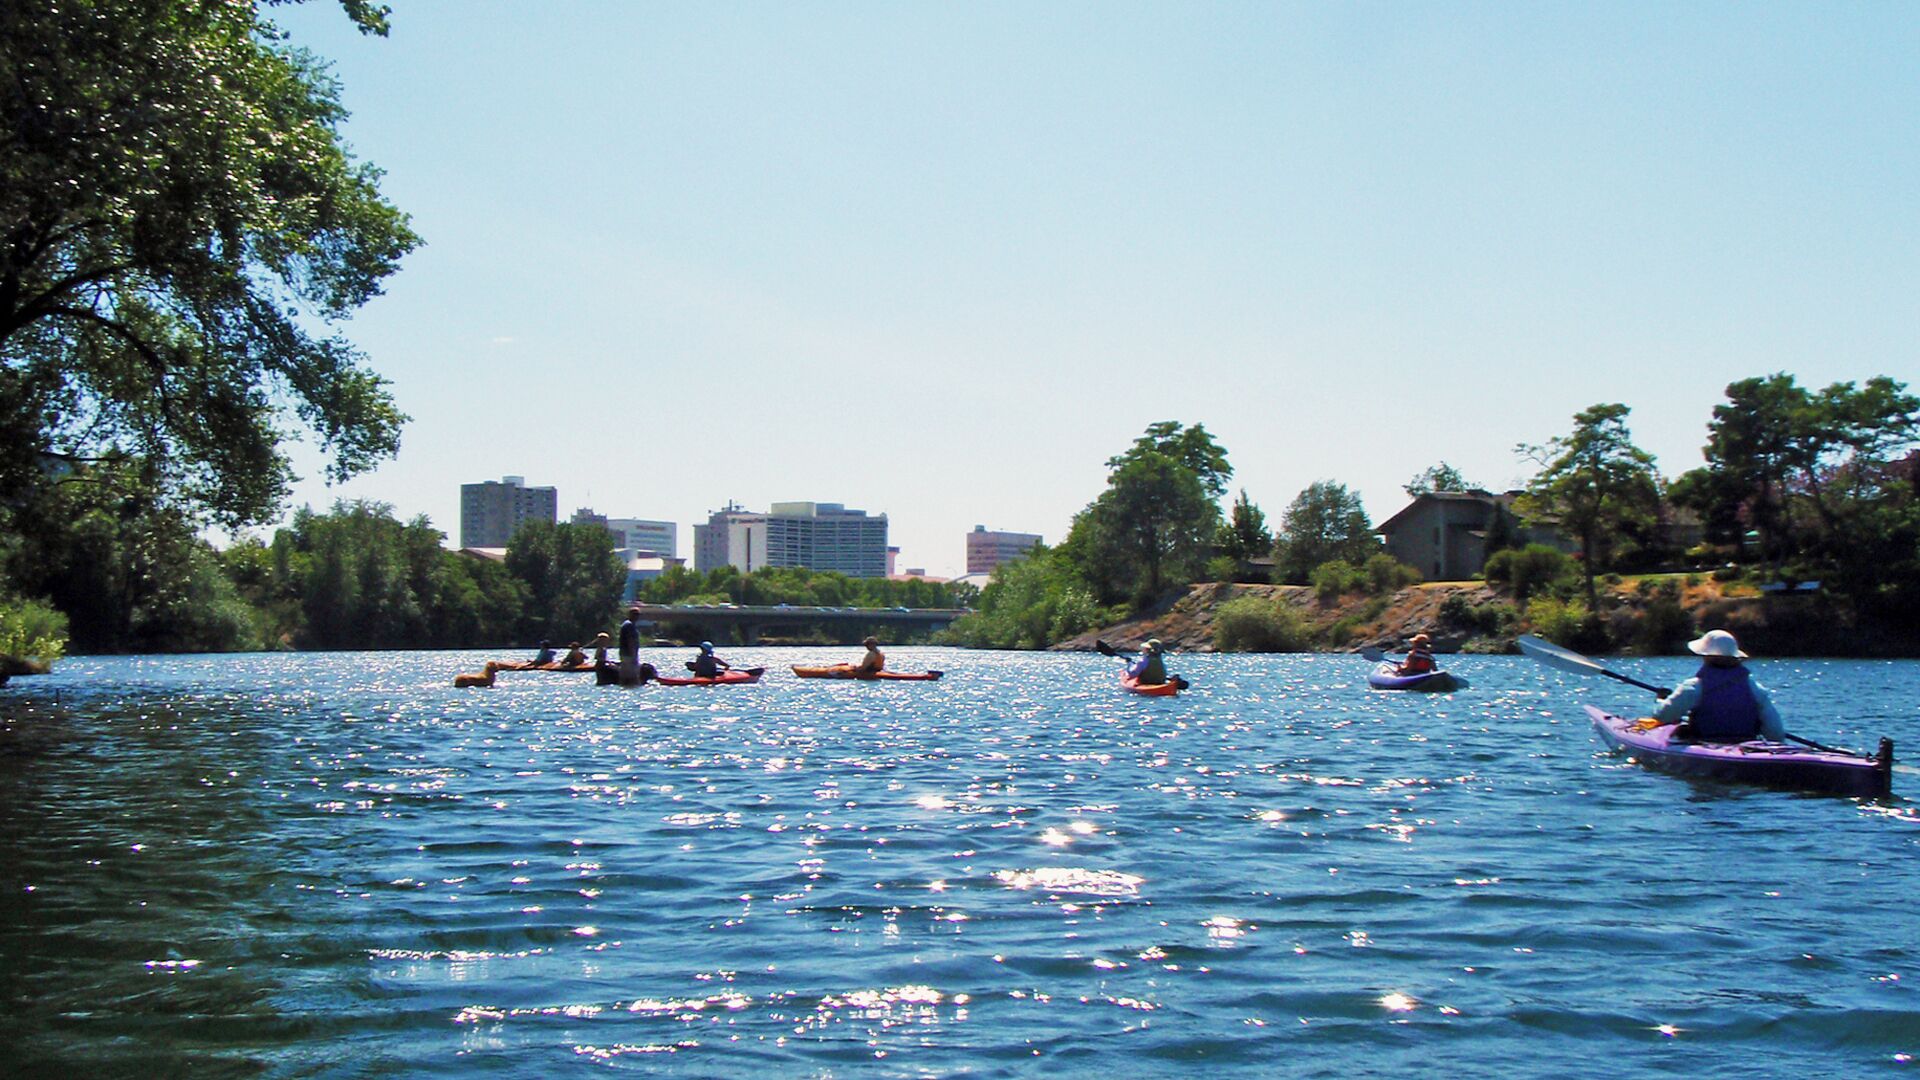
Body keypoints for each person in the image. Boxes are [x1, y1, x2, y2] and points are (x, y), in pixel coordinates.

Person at [1651, 629, 1786, 742]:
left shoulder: (1694, 687)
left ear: (1706, 656)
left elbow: (1662, 716)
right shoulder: (1755, 688)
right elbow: (1776, 734)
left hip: (1706, 744)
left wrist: (1660, 700)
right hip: (1744, 745)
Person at [617, 608, 643, 686]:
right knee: (632, 677)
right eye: (635, 614)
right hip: (629, 655)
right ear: (630, 615)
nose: (637, 616)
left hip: (625, 654)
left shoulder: (627, 624)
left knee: (625, 676)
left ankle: (623, 685)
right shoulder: (629, 625)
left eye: (638, 614)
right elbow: (630, 641)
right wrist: (634, 655)